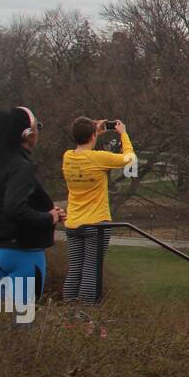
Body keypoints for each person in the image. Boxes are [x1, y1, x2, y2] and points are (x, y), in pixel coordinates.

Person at [0, 106, 63, 311]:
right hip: (21, 252)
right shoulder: (21, 166)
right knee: (22, 322)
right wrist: (48, 218)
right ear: (27, 134)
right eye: (37, 127)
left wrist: (46, 211)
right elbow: (14, 208)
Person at [62, 118, 135, 304]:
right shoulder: (98, 158)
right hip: (96, 224)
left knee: (75, 270)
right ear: (93, 135)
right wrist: (123, 134)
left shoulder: (68, 157)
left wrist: (93, 132)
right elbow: (129, 159)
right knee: (91, 271)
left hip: (73, 224)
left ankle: (69, 315)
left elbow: (84, 146)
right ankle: (86, 316)